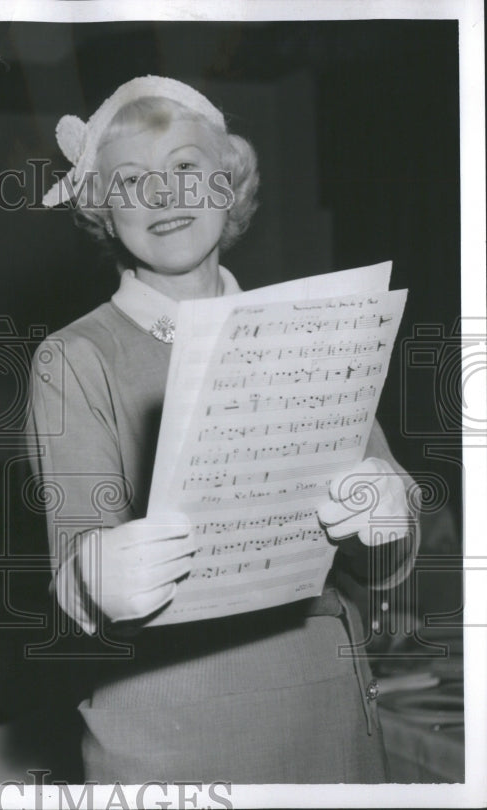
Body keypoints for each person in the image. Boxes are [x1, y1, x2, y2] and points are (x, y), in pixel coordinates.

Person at [28, 75, 419, 783]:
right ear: (103, 210)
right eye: (130, 180)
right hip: (167, 738)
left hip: (327, 716)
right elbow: (73, 573)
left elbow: (384, 568)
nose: (162, 195)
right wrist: (90, 580)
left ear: (227, 183)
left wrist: (391, 515)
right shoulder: (75, 358)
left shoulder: (310, 328)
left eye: (184, 168)